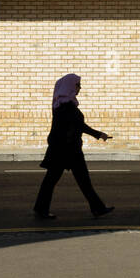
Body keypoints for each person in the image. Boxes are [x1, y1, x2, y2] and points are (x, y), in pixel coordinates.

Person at [33, 72, 113, 220]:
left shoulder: (64, 103)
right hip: (65, 150)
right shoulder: (65, 106)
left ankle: (97, 208)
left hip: (68, 149)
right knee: (56, 180)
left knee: (75, 180)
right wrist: (99, 134)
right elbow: (79, 125)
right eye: (77, 85)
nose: (79, 88)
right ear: (70, 86)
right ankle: (97, 208)